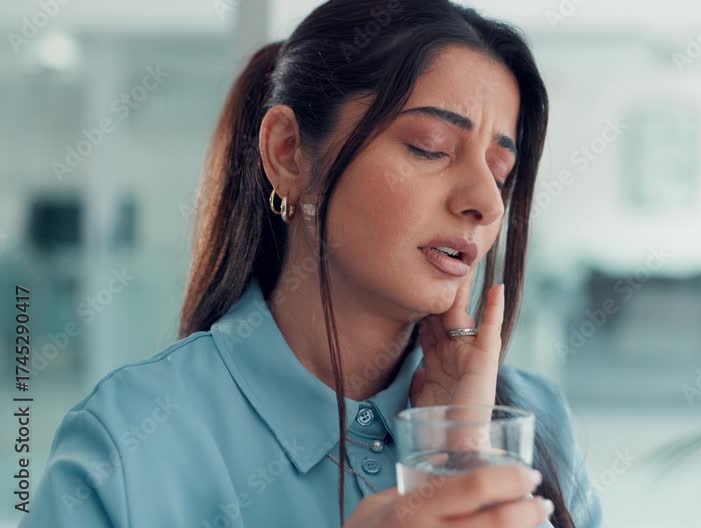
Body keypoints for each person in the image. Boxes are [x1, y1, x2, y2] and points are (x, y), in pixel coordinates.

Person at [22, 1, 603, 526]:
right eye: (429, 147)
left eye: (501, 172)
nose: (485, 200)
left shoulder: (535, 422)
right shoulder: (129, 440)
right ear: (287, 153)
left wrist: (459, 449)